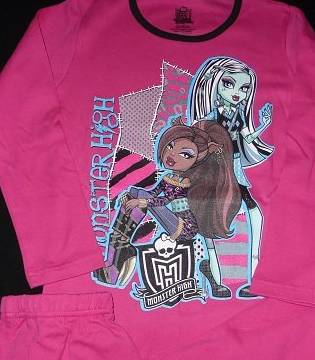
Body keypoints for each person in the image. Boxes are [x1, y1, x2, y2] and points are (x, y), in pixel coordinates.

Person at [101, 116, 241, 297]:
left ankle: (121, 251)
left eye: (185, 154)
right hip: (172, 219)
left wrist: (140, 202)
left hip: (184, 227)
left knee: (140, 196)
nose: (172, 155)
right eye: (170, 146)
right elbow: (153, 192)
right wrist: (129, 197)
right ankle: (115, 257)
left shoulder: (185, 181)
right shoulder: (169, 177)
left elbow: (164, 200)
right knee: (136, 191)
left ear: (198, 159)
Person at [187, 56, 274, 297]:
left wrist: (264, 125)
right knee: (208, 210)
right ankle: (216, 277)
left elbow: (247, 137)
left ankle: (253, 275)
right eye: (228, 84)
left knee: (250, 206)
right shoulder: (211, 116)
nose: (237, 92)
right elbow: (199, 136)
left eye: (244, 88)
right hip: (214, 166)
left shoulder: (240, 115)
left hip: (233, 164)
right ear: (215, 84)